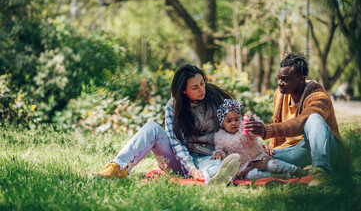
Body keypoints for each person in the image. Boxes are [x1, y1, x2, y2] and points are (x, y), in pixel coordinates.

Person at [96, 64, 241, 185]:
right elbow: (175, 141)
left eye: (202, 83)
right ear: (184, 90)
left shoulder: (216, 97)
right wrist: (191, 168)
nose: (201, 89)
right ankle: (117, 168)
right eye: (195, 87)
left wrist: (255, 142)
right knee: (151, 128)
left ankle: (217, 177)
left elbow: (236, 122)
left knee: (220, 169)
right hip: (178, 162)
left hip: (210, 156)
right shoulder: (173, 106)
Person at [245, 52, 350, 186]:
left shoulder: (318, 95)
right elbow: (279, 137)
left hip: (327, 150)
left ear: (301, 78)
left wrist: (267, 129)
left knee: (313, 118)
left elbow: (302, 122)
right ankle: (299, 171)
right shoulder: (279, 95)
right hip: (296, 153)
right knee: (256, 154)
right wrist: (268, 148)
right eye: (278, 78)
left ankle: (321, 170)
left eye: (285, 79)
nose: (279, 83)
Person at [212, 99, 307, 180]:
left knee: (273, 165)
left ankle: (295, 170)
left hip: (258, 157)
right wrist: (219, 153)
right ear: (221, 123)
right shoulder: (220, 136)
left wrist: (252, 120)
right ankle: (280, 176)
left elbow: (255, 132)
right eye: (229, 121)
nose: (233, 123)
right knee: (253, 175)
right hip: (243, 166)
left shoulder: (243, 127)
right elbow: (222, 150)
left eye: (236, 119)